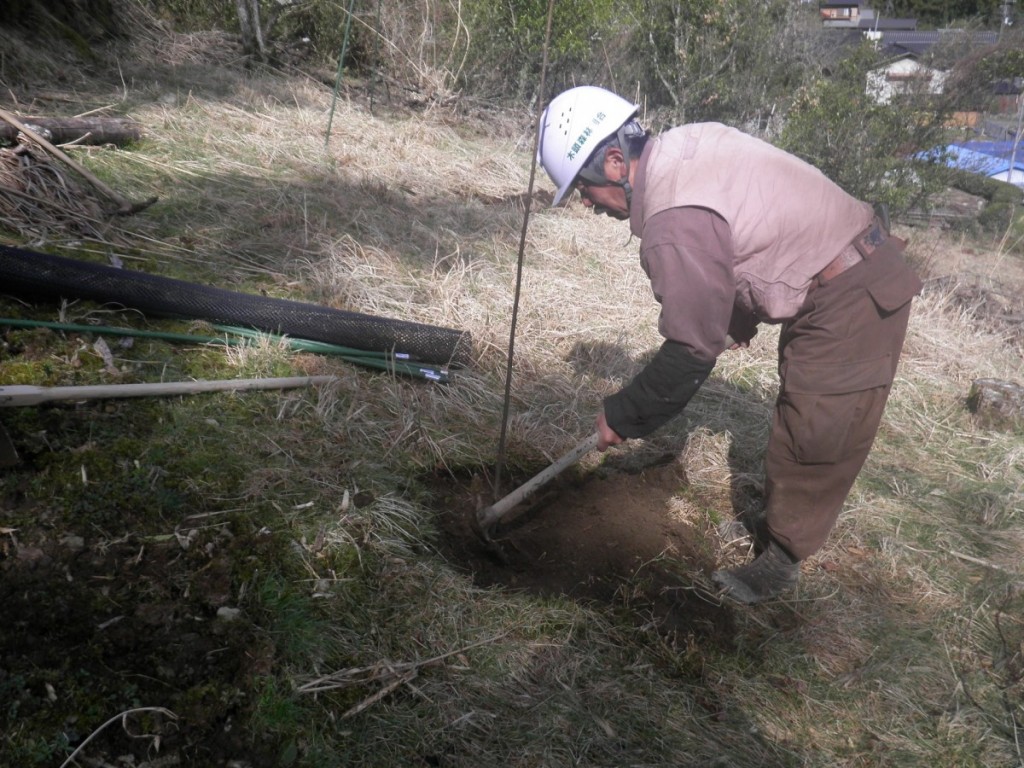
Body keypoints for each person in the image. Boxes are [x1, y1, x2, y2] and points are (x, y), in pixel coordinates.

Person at [536, 85, 922, 603]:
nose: (584, 202)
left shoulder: (672, 219)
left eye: (582, 188)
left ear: (612, 162)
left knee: (815, 427)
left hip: (854, 288)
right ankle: (776, 528)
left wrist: (623, 415)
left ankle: (782, 559)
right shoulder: (680, 147)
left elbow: (689, 352)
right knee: (802, 410)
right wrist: (733, 320)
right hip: (833, 271)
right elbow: (742, 233)